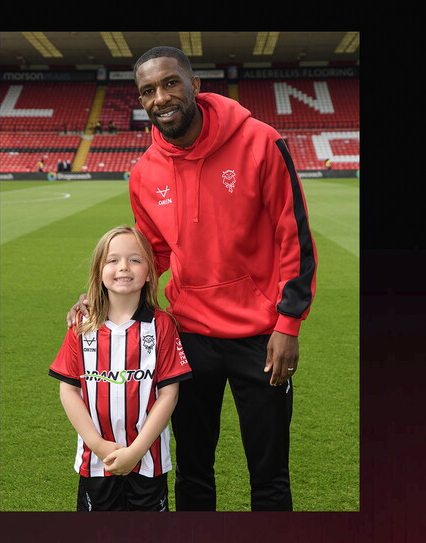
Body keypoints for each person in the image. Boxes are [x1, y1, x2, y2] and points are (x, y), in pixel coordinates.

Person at [67, 46, 317, 511]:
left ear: (195, 85)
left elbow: (294, 238)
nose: (160, 97)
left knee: (269, 475)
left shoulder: (262, 142)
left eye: (169, 83)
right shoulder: (143, 174)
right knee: (194, 472)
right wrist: (101, 296)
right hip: (188, 338)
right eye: (147, 91)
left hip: (261, 339)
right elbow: (153, 255)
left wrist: (288, 325)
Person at [49, 225, 193, 511]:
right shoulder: (82, 325)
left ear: (150, 271)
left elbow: (169, 395)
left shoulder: (162, 325)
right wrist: (97, 445)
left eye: (135, 260)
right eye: (112, 260)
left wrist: (136, 451)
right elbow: (68, 390)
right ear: (98, 271)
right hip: (96, 461)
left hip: (148, 460)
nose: (123, 267)